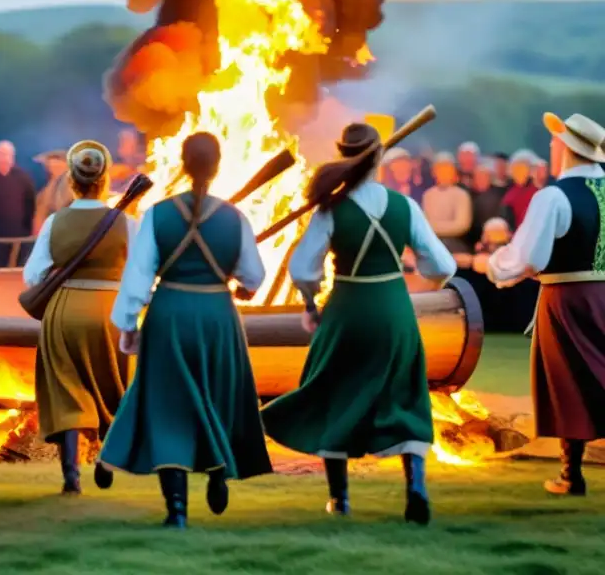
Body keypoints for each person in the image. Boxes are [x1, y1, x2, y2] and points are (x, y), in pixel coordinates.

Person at [261, 123, 456, 526]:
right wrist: (422, 285)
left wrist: (311, 303)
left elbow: (303, 269)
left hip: (347, 310)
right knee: (405, 395)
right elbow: (442, 265)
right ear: (379, 157)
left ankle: (340, 499)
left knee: (334, 393)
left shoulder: (330, 209)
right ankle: (415, 487)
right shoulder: (405, 206)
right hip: (394, 310)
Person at [98, 132, 271, 528]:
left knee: (168, 405)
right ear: (218, 165)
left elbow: (138, 280)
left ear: (182, 161)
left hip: (170, 314)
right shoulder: (235, 217)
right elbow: (254, 277)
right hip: (217, 315)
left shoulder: (157, 215)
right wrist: (241, 284)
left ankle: (176, 509)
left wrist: (127, 326)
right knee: (215, 395)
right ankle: (216, 472)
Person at [488, 112, 605, 496]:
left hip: (567, 300)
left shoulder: (553, 196)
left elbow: (529, 258)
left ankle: (572, 476)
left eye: (555, 141)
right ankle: (570, 476)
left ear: (568, 149)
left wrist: (494, 266)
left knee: (569, 382)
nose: (551, 146)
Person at [23, 140, 136, 495]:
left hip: (65, 311)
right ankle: (105, 460)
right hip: (111, 313)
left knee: (66, 392)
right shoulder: (127, 223)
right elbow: (140, 272)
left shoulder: (56, 222)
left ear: (71, 180)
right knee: (112, 390)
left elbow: (32, 275)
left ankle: (71, 475)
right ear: (104, 181)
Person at [421, 153, 472, 256]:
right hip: (431, 244)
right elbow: (425, 223)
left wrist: (434, 228)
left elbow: (462, 225)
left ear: (454, 173)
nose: (443, 174)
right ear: (434, 173)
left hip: (455, 245)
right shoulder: (428, 195)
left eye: (447, 170)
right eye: (440, 170)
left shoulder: (461, 195)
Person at [32, 149, 71, 234]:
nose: (48, 166)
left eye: (53, 162)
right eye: (48, 164)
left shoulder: (67, 185)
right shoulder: (50, 184)